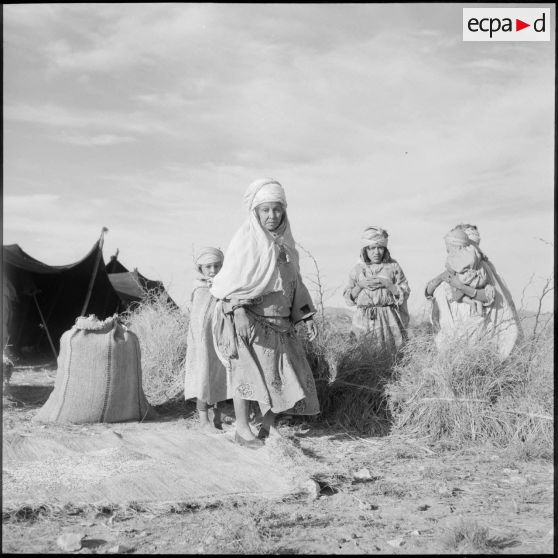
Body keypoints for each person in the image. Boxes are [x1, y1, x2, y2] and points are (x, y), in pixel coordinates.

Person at [210, 178, 320, 449]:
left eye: (277, 209)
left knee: (277, 377)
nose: (272, 216)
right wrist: (239, 312)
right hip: (249, 320)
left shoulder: (286, 246)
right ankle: (242, 429)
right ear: (255, 212)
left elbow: (296, 282)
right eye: (265, 210)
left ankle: (268, 426)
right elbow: (229, 284)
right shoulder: (245, 242)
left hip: (280, 323)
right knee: (246, 376)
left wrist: (307, 316)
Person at [425, 225, 522, 359]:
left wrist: (463, 288)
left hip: (474, 322)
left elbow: (490, 296)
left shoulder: (483, 268)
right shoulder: (454, 266)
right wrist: (441, 279)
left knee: (473, 355)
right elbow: (430, 291)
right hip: (454, 323)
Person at [183, 247, 231, 430]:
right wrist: (201, 341)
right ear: (201, 268)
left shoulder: (226, 286)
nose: (213, 270)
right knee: (203, 374)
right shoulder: (200, 287)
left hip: (221, 338)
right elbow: (198, 318)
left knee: (222, 375)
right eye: (208, 267)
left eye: (217, 266)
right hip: (202, 341)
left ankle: (219, 417)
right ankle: (204, 420)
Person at [343, 226, 410, 356]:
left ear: (385, 249)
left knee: (391, 356)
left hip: (388, 318)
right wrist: (360, 285)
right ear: (365, 250)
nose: (376, 252)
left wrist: (388, 284)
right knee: (363, 357)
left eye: (380, 248)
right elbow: (348, 297)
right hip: (363, 319)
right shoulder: (357, 269)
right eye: (372, 248)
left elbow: (405, 292)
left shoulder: (393, 267)